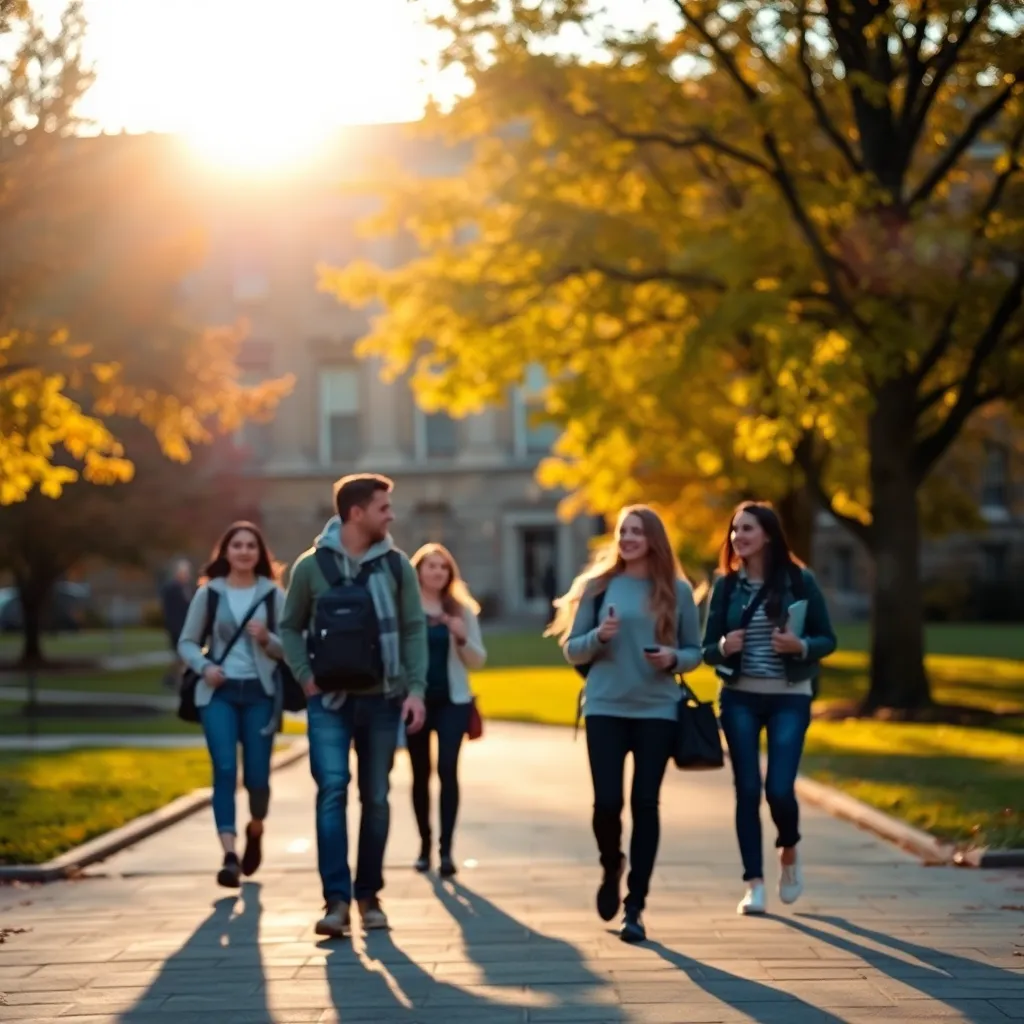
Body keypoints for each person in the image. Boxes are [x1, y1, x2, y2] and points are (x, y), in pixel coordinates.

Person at [281, 473, 428, 938]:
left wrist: (417, 689)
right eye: (384, 507)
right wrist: (304, 678)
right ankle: (336, 901)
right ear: (356, 513)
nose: (391, 515)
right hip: (328, 701)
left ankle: (369, 895)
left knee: (377, 798)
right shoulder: (310, 567)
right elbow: (289, 627)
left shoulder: (396, 565)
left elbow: (412, 629)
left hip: (383, 697)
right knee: (332, 791)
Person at [547, 504, 703, 944]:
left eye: (636, 531)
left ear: (653, 538)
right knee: (607, 804)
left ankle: (635, 908)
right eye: (623, 531)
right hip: (604, 707)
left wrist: (674, 658)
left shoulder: (676, 590)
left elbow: (696, 650)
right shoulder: (598, 587)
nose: (628, 538)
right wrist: (599, 637)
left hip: (657, 709)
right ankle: (611, 863)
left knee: (646, 805)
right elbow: (572, 650)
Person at [702, 501, 836, 916]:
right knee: (746, 790)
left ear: (769, 535)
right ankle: (753, 884)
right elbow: (708, 649)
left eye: (747, 529)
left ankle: (789, 850)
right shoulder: (725, 586)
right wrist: (725, 646)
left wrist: (801, 646)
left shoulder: (799, 581)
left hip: (789, 696)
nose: (738, 537)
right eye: (735, 530)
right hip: (739, 696)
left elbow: (827, 639)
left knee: (779, 788)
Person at [177, 524, 286, 888]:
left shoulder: (273, 595)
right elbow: (188, 642)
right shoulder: (210, 594)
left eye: (250, 546)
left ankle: (255, 829)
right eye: (236, 545)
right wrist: (205, 667)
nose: (243, 551)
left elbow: (290, 646)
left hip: (260, 694)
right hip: (219, 695)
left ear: (260, 553)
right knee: (224, 769)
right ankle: (229, 855)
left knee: (257, 777)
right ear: (225, 552)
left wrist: (268, 638)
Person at [407, 543, 487, 877]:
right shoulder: (406, 609)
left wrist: (461, 636)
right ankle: (424, 846)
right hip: (416, 701)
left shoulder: (461, 610)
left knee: (448, 771)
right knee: (419, 774)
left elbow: (478, 661)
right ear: (419, 571)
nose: (437, 572)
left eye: (443, 567)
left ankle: (446, 850)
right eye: (431, 566)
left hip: (453, 701)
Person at [159, 559, 193, 689]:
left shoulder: (185, 588)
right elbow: (172, 612)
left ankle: (172, 680)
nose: (187, 575)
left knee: (181, 657)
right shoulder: (172, 589)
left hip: (185, 627)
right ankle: (176, 681)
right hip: (177, 628)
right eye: (185, 572)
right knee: (181, 656)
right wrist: (175, 628)